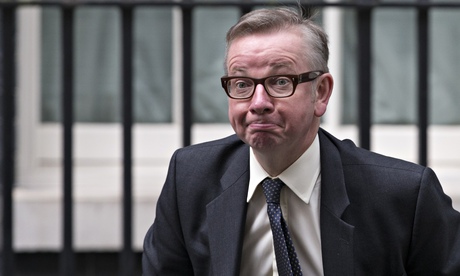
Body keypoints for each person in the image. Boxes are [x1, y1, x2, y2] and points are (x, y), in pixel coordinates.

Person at [142, 6, 460, 276]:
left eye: (280, 81)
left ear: (320, 93)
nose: (258, 102)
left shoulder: (403, 195)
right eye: (241, 83)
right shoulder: (189, 178)